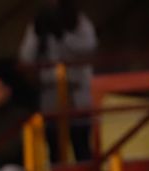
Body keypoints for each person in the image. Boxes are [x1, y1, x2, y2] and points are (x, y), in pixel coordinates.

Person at [18, 0, 98, 162]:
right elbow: (26, 57)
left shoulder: (78, 20)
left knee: (81, 144)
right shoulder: (39, 22)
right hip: (50, 92)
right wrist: (37, 35)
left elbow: (89, 47)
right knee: (54, 148)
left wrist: (63, 35)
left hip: (76, 92)